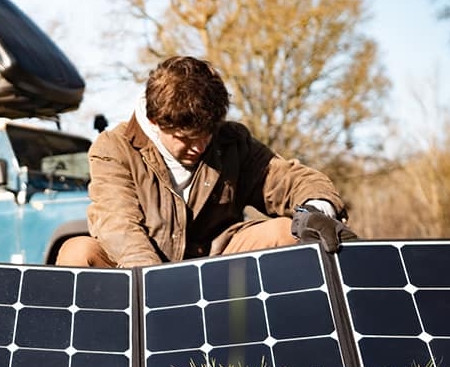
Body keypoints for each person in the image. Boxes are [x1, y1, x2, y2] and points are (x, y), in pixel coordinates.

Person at [56, 55, 356, 269]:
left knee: (283, 232)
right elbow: (118, 225)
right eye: (185, 139)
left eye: (206, 135)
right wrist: (154, 284)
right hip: (141, 272)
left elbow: (286, 178)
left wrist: (318, 209)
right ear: (155, 121)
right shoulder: (114, 148)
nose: (199, 147)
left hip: (217, 269)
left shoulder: (231, 141)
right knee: (77, 253)